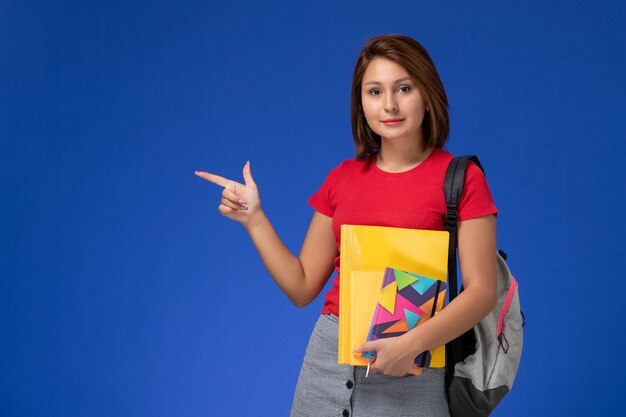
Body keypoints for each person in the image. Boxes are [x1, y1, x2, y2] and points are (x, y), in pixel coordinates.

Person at [195, 34, 498, 417]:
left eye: (403, 88)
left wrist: (410, 344)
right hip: (327, 363)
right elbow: (302, 286)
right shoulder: (343, 178)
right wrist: (254, 219)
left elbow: (482, 291)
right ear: (361, 102)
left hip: (412, 364)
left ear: (427, 93)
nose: (389, 104)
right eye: (374, 91)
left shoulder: (460, 178)